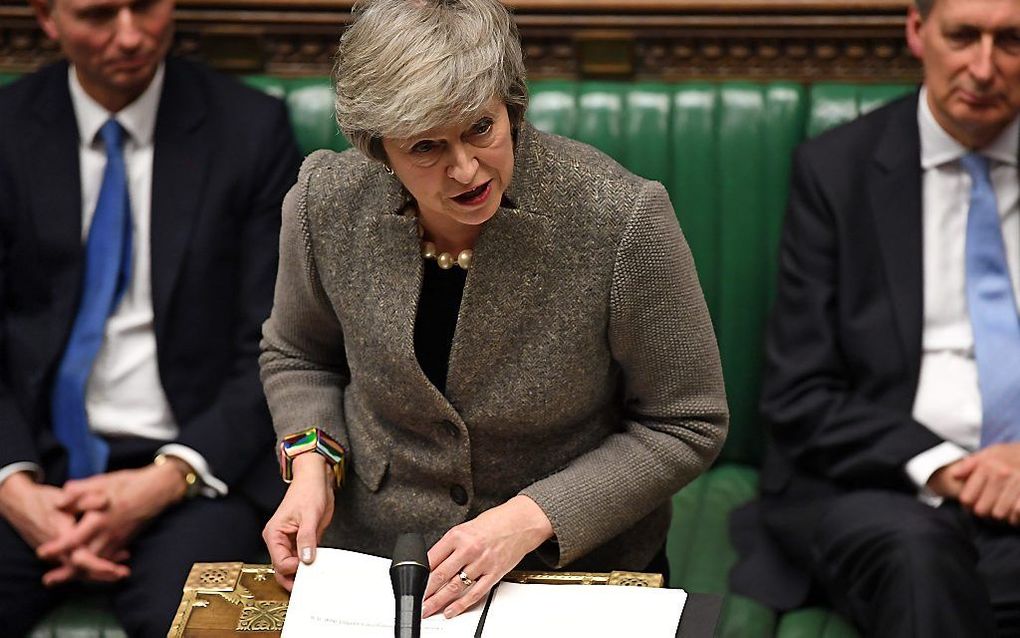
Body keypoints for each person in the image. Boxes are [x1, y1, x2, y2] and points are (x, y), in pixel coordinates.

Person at [259, 0, 727, 620]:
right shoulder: (325, 202)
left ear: (511, 103)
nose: (466, 169)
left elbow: (686, 422)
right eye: (426, 147)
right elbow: (300, 356)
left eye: (481, 127)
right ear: (379, 150)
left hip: (569, 572)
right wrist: (313, 461)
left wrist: (532, 518)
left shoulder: (619, 219)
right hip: (376, 568)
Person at [0, 0, 302, 634]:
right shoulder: (6, 129)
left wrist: (169, 478)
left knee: (200, 623)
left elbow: (279, 341)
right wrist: (15, 488)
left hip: (191, 469)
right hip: (29, 462)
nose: (131, 35)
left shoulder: (249, 130)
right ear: (47, 18)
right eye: (98, 15)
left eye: (146, 5)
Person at [729, 0, 1020, 635]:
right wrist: (946, 466)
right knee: (919, 561)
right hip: (881, 487)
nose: (984, 66)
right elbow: (799, 393)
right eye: (964, 36)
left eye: (1012, 41)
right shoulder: (837, 172)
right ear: (919, 32)